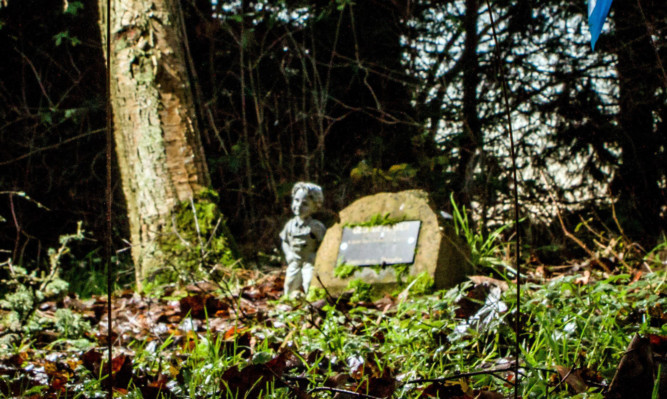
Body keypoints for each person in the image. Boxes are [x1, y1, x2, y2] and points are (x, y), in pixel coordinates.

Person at [280, 182, 326, 296]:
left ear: (315, 207)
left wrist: (315, 256)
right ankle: (290, 301)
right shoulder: (290, 225)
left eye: (305, 204)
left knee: (309, 282)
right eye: (296, 200)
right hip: (294, 261)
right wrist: (288, 254)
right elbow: (284, 241)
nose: (299, 206)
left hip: (309, 262)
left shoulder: (315, 226)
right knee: (289, 283)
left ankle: (311, 303)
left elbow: (325, 244)